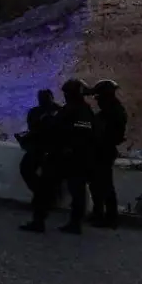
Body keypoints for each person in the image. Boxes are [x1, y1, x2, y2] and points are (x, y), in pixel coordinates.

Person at [21, 79, 96, 234]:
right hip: (61, 155)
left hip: (71, 157)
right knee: (49, 188)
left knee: (74, 191)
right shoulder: (70, 109)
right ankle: (40, 220)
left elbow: (80, 134)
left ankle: (70, 223)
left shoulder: (81, 111)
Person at [88, 80, 127, 228]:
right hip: (101, 150)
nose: (98, 102)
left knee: (104, 184)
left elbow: (108, 134)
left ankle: (109, 217)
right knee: (97, 184)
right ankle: (99, 213)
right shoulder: (111, 111)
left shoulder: (112, 112)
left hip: (104, 150)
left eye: (99, 98)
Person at [17, 89, 60, 197]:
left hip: (52, 149)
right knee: (26, 169)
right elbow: (33, 128)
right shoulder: (36, 112)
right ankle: (42, 193)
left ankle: (44, 195)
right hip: (38, 148)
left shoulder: (59, 112)